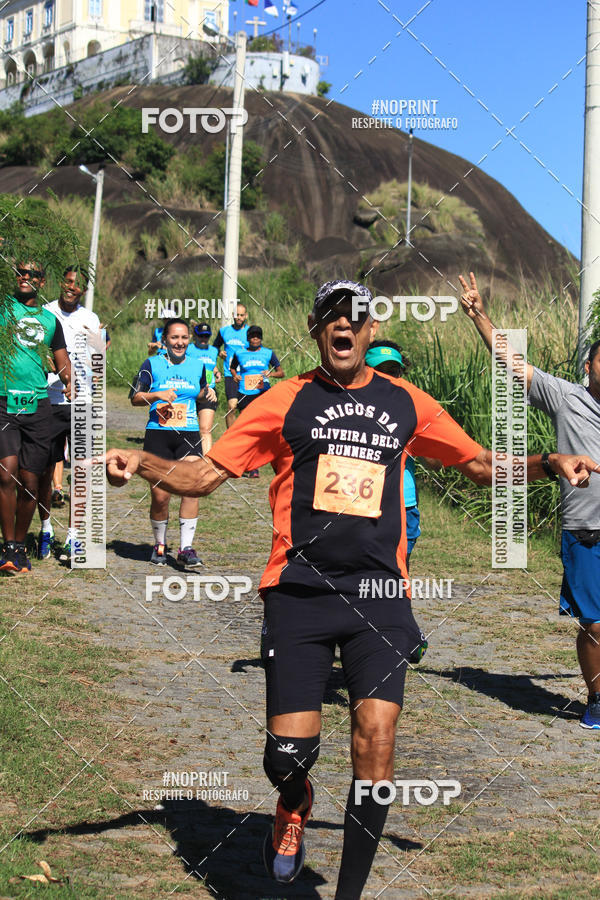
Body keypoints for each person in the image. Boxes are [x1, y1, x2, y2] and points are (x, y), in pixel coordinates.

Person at [106, 279, 598, 897]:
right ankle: (293, 803)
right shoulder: (283, 400)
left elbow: (475, 464)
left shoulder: (406, 402)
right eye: (331, 317)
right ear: (317, 331)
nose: (343, 325)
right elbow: (203, 476)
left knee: (378, 741)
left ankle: (347, 894)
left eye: (355, 317)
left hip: (380, 595)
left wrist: (546, 464)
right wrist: (140, 462)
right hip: (298, 591)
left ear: (368, 332)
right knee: (286, 757)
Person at [459, 270, 600, 730]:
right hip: (585, 530)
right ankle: (597, 698)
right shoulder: (566, 398)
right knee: (595, 625)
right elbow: (511, 362)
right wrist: (480, 315)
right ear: (589, 367)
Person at [0, 262, 70, 575]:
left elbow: (61, 360)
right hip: (4, 402)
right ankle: (8, 546)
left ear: (42, 281)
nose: (24, 278)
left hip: (38, 407)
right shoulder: (3, 307)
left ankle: (17, 546)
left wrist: (71, 381)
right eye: (20, 273)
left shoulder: (50, 320)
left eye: (31, 274)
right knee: (6, 473)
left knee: (30, 481)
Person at [130, 318, 216, 568]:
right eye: (174, 338)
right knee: (160, 496)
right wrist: (156, 394)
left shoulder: (198, 365)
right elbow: (135, 397)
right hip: (158, 434)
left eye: (184, 337)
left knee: (192, 486)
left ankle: (186, 548)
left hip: (187, 434)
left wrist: (207, 392)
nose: (180, 342)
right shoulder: (151, 364)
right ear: (165, 340)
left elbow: (199, 391)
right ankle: (159, 544)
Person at [37, 266, 103, 561]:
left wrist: (90, 380)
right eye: (67, 280)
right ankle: (46, 529)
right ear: (59, 281)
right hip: (48, 400)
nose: (71, 287)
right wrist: (59, 372)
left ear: (84, 290)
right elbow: (35, 353)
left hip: (82, 403)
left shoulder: (91, 319)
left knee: (81, 471)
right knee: (41, 470)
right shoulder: (44, 312)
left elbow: (98, 360)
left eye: (77, 284)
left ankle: (74, 537)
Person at [365, 339, 421, 565]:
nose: (387, 377)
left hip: (404, 502)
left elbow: (435, 460)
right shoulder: (347, 406)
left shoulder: (415, 407)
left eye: (393, 371)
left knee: (399, 571)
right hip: (363, 502)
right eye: (379, 371)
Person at [230, 325, 284, 477]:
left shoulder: (268, 353)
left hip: (263, 394)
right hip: (245, 394)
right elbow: (232, 368)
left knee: (263, 430)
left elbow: (281, 372)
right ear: (248, 338)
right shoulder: (239, 353)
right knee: (248, 430)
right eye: (252, 336)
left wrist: (271, 374)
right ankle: (248, 464)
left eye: (258, 336)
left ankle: (261, 463)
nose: (255, 338)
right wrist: (235, 376)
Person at [186, 322, 221, 456]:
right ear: (195, 335)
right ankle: (188, 455)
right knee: (189, 427)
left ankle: (206, 461)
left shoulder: (213, 350)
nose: (203, 339)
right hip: (191, 391)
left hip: (209, 392)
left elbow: (212, 366)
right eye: (201, 336)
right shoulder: (188, 349)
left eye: (206, 336)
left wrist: (217, 373)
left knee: (205, 429)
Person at [213, 303, 249, 428]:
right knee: (232, 406)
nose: (239, 317)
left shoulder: (250, 333)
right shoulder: (224, 331)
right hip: (230, 374)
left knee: (246, 410)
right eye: (237, 315)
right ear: (233, 315)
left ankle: (244, 436)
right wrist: (220, 352)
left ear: (246, 316)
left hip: (246, 375)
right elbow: (214, 347)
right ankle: (230, 435)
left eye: (241, 315)